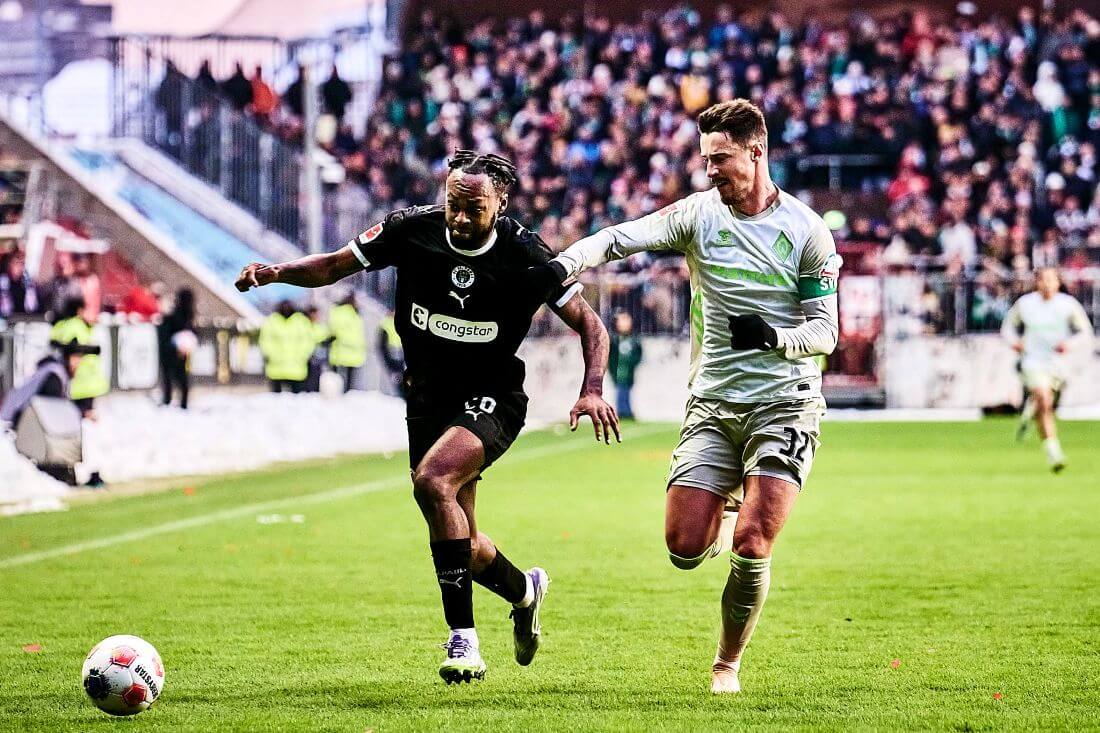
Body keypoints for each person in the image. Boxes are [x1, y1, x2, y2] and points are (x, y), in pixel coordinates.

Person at [236, 150, 619, 684]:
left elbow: (591, 325)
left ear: (500, 203)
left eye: (474, 209)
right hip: (427, 398)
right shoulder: (409, 230)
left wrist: (593, 388)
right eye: (452, 205)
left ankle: (462, 640)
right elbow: (332, 265)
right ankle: (525, 591)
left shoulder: (524, 254)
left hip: (493, 396)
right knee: (466, 541)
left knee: (433, 481)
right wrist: (275, 273)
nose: (459, 219)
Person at [533, 99, 841, 694]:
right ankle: (724, 502)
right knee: (682, 547)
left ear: (757, 151)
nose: (711, 172)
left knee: (754, 542)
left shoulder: (808, 231)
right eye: (705, 161)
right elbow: (625, 237)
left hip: (787, 400)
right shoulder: (699, 215)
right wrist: (566, 262)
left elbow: (825, 330)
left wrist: (776, 337)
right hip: (714, 403)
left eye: (720, 159)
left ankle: (727, 663)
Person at [1000, 267, 1092, 472]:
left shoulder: (1068, 305)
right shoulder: (1026, 304)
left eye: (1051, 280)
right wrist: (1015, 343)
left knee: (1048, 403)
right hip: (1033, 360)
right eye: (1042, 280)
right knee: (1044, 399)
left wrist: (1069, 344)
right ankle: (1053, 452)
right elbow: (1007, 328)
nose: (1047, 284)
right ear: (1037, 283)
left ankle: (1030, 411)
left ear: (1058, 283)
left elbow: (1085, 332)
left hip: (1058, 363)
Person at [49, 296, 110, 418]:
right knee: (82, 416)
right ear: (80, 310)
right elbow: (73, 350)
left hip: (75, 383)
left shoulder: (63, 325)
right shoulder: (76, 326)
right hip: (83, 381)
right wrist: (73, 367)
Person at [258, 301, 313, 393]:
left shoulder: (301, 321)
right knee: (276, 400)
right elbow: (265, 340)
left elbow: (308, 341)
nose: (286, 308)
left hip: (297, 369)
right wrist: (272, 355)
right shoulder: (272, 321)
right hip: (276, 369)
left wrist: (302, 355)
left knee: (297, 400)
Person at [157, 288, 195, 409]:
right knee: (179, 377)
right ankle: (179, 403)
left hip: (173, 350)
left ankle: (170, 401)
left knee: (172, 377)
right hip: (176, 350)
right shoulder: (185, 314)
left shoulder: (180, 314)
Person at [608, 311, 643, 419]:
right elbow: (611, 357)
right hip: (618, 373)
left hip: (629, 373)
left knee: (626, 392)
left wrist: (632, 362)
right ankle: (623, 412)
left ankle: (626, 411)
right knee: (620, 392)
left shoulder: (633, 339)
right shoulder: (614, 339)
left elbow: (638, 354)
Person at [328, 294, 367, 392]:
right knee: (348, 382)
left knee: (338, 380)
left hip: (340, 351)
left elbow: (333, 330)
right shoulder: (354, 314)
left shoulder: (338, 312)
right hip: (350, 351)